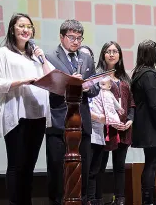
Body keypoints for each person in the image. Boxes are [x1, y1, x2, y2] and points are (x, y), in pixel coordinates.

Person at [0, 13, 53, 205]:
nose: (26, 30)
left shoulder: (36, 56)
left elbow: (51, 78)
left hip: (38, 115)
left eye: (29, 26)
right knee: (17, 165)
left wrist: (41, 57)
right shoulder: (2, 54)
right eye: (21, 26)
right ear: (12, 30)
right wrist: (24, 81)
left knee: (29, 167)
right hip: (17, 116)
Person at [45, 19, 99, 205]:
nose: (76, 41)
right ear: (62, 37)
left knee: (82, 171)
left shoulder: (86, 58)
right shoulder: (49, 58)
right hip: (59, 121)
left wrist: (86, 88)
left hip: (81, 121)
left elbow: (95, 87)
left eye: (79, 38)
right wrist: (69, 84)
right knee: (58, 171)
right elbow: (46, 88)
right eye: (71, 37)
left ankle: (82, 201)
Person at [91, 41, 135, 205]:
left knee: (120, 167)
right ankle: (97, 199)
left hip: (123, 128)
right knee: (99, 167)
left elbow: (131, 103)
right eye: (108, 51)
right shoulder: (98, 78)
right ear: (103, 54)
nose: (112, 54)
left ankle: (120, 199)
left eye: (115, 51)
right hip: (104, 129)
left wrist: (130, 120)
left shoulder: (124, 78)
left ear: (120, 55)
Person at [131, 40, 156, 205]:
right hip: (151, 127)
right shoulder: (149, 74)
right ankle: (149, 201)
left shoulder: (138, 72)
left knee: (150, 163)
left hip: (143, 125)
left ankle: (149, 200)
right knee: (152, 164)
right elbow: (155, 105)